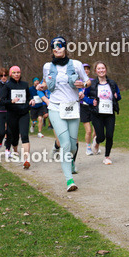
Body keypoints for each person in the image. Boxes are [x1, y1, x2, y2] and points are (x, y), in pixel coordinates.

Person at [43, 37, 91, 191]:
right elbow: (46, 83)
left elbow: (88, 81)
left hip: (72, 107)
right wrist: (41, 86)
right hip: (55, 107)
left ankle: (71, 161)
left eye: (60, 46)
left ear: (65, 48)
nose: (57, 49)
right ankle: (69, 181)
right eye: (54, 46)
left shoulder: (76, 64)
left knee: (73, 146)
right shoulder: (47, 66)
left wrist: (83, 85)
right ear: (52, 49)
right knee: (65, 144)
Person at [85, 62, 121, 165]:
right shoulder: (91, 84)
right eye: (99, 68)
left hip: (109, 113)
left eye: (103, 68)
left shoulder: (112, 83)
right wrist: (91, 101)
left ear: (106, 69)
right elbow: (84, 97)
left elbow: (118, 96)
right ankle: (97, 140)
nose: (101, 70)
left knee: (110, 135)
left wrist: (116, 96)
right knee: (101, 136)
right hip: (96, 114)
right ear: (95, 71)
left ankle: (107, 156)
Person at [1, 66, 33, 168]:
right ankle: (15, 150)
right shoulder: (7, 86)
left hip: (24, 113)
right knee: (14, 136)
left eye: (18, 72)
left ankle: (26, 160)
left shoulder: (25, 84)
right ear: (11, 74)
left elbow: (29, 96)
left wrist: (31, 100)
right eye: (14, 73)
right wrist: (11, 101)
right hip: (12, 114)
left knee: (24, 135)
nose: (16, 74)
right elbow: (2, 101)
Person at [80, 62, 95, 156]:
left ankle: (94, 145)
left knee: (96, 129)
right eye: (84, 69)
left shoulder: (93, 81)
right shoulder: (78, 82)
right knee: (88, 130)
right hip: (83, 107)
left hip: (92, 106)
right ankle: (88, 147)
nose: (86, 71)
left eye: (87, 69)